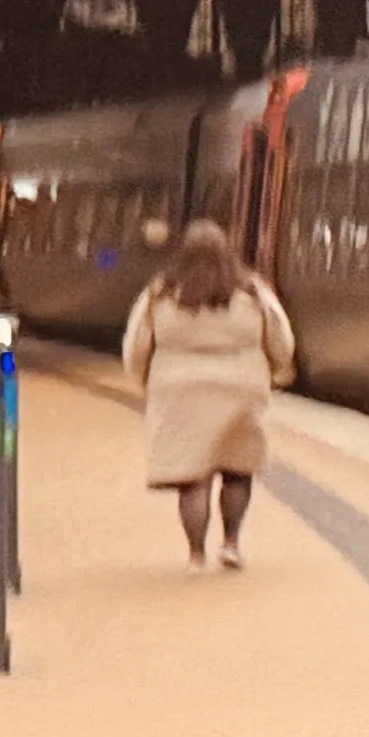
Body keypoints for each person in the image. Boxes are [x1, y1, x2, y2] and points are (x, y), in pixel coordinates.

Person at [122, 218, 294, 569]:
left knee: (192, 476)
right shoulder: (251, 290)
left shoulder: (162, 292)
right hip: (241, 387)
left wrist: (142, 378)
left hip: (179, 390)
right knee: (236, 471)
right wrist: (278, 369)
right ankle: (231, 544)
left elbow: (138, 342)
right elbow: (280, 336)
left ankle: (196, 555)